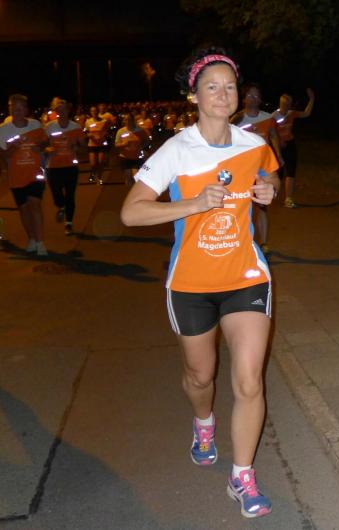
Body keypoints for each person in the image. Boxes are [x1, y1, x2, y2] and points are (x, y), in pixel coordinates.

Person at [120, 47, 280, 519]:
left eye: (229, 86)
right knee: (200, 376)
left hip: (246, 276)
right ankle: (203, 421)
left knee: (249, 379)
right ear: (194, 95)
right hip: (190, 283)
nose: (223, 94)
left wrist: (269, 190)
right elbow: (131, 213)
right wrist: (192, 205)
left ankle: (242, 475)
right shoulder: (177, 149)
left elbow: (271, 179)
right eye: (212, 86)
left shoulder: (253, 144)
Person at [232, 83, 283, 253]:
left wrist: (278, 155)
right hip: (242, 169)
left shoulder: (268, 118)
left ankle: (264, 243)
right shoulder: (237, 119)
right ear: (244, 99)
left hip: (263, 168)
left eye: (256, 95)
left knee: (262, 206)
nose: (253, 98)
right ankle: (242, 243)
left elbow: (273, 136)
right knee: (242, 205)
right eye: (250, 95)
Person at [0, 94, 49, 255]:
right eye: (14, 108)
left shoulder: (35, 124)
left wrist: (40, 146)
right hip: (16, 176)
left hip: (35, 173)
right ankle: (32, 239)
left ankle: (40, 242)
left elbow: (45, 141)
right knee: (24, 209)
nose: (18, 111)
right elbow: (4, 156)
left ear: (26, 109)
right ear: (10, 109)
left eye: (21, 108)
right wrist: (14, 146)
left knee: (35, 204)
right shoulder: (3, 130)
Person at [45, 100, 85, 235]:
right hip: (53, 166)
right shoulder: (49, 127)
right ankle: (61, 206)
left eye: (64, 110)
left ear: (68, 111)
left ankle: (68, 223)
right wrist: (47, 149)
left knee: (70, 196)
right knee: (56, 193)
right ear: (56, 112)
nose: (61, 112)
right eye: (58, 110)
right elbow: (43, 144)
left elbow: (84, 147)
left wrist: (77, 147)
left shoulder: (76, 127)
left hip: (70, 166)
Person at [271, 87, 314, 208]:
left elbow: (306, 113)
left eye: (288, 104)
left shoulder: (291, 113)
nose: (286, 106)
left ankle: (288, 199)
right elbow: (270, 133)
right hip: (278, 147)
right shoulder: (273, 116)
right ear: (280, 104)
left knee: (291, 171)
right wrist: (279, 143)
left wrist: (312, 99)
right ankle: (271, 193)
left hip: (290, 144)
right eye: (284, 104)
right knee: (278, 173)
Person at [114, 112, 149, 185]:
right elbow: (116, 144)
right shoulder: (121, 131)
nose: (128, 122)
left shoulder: (140, 130)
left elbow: (146, 141)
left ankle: (136, 191)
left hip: (136, 157)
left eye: (129, 120)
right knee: (128, 178)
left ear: (133, 120)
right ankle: (130, 189)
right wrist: (124, 144)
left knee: (136, 177)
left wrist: (142, 148)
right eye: (126, 120)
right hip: (125, 157)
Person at [84, 105, 110, 184]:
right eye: (92, 111)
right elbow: (85, 131)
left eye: (95, 111)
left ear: (98, 111)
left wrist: (104, 134)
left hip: (101, 144)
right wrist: (89, 135)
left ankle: (99, 178)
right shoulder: (88, 121)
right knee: (93, 163)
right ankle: (93, 173)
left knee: (101, 162)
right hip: (92, 144)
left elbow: (108, 131)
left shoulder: (104, 121)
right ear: (90, 112)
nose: (94, 112)